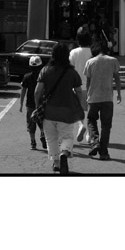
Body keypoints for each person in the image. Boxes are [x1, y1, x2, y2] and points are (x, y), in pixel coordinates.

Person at [35, 43, 87, 174]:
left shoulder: (45, 70)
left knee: (51, 138)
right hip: (67, 111)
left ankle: (56, 163)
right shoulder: (72, 72)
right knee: (67, 136)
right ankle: (64, 152)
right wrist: (79, 104)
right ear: (67, 56)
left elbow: (37, 91)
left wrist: (38, 106)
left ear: (53, 55)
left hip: (49, 111)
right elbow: (79, 91)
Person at [83, 39, 122, 161]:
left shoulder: (90, 62)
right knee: (106, 126)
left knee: (91, 120)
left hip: (93, 98)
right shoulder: (113, 60)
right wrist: (119, 93)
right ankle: (104, 153)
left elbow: (88, 82)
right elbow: (117, 78)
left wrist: (87, 96)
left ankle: (95, 142)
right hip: (107, 98)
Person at [69, 30, 93, 143]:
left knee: (77, 109)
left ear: (78, 40)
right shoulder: (93, 52)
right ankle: (89, 135)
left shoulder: (74, 52)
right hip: (91, 86)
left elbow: (69, 68)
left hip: (76, 86)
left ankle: (80, 125)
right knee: (91, 112)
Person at [18, 55, 46, 150]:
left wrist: (21, 104)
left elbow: (23, 91)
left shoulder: (27, 77)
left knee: (31, 123)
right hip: (42, 103)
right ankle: (43, 133)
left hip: (30, 104)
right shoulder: (44, 76)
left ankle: (33, 142)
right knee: (42, 121)